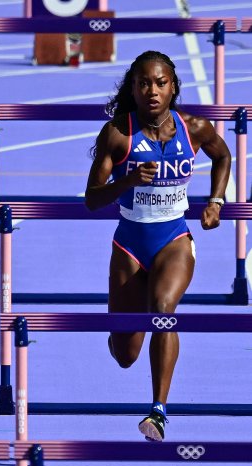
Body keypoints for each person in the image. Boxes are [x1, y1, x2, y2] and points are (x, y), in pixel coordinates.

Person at [85, 50, 230, 441]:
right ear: (133, 89)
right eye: (144, 83)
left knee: (164, 308)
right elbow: (92, 198)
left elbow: (223, 156)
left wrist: (216, 201)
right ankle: (122, 334)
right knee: (125, 355)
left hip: (174, 240)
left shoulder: (195, 127)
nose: (153, 90)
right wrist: (127, 182)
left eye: (161, 83)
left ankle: (158, 412)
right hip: (130, 246)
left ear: (173, 88)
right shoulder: (118, 133)